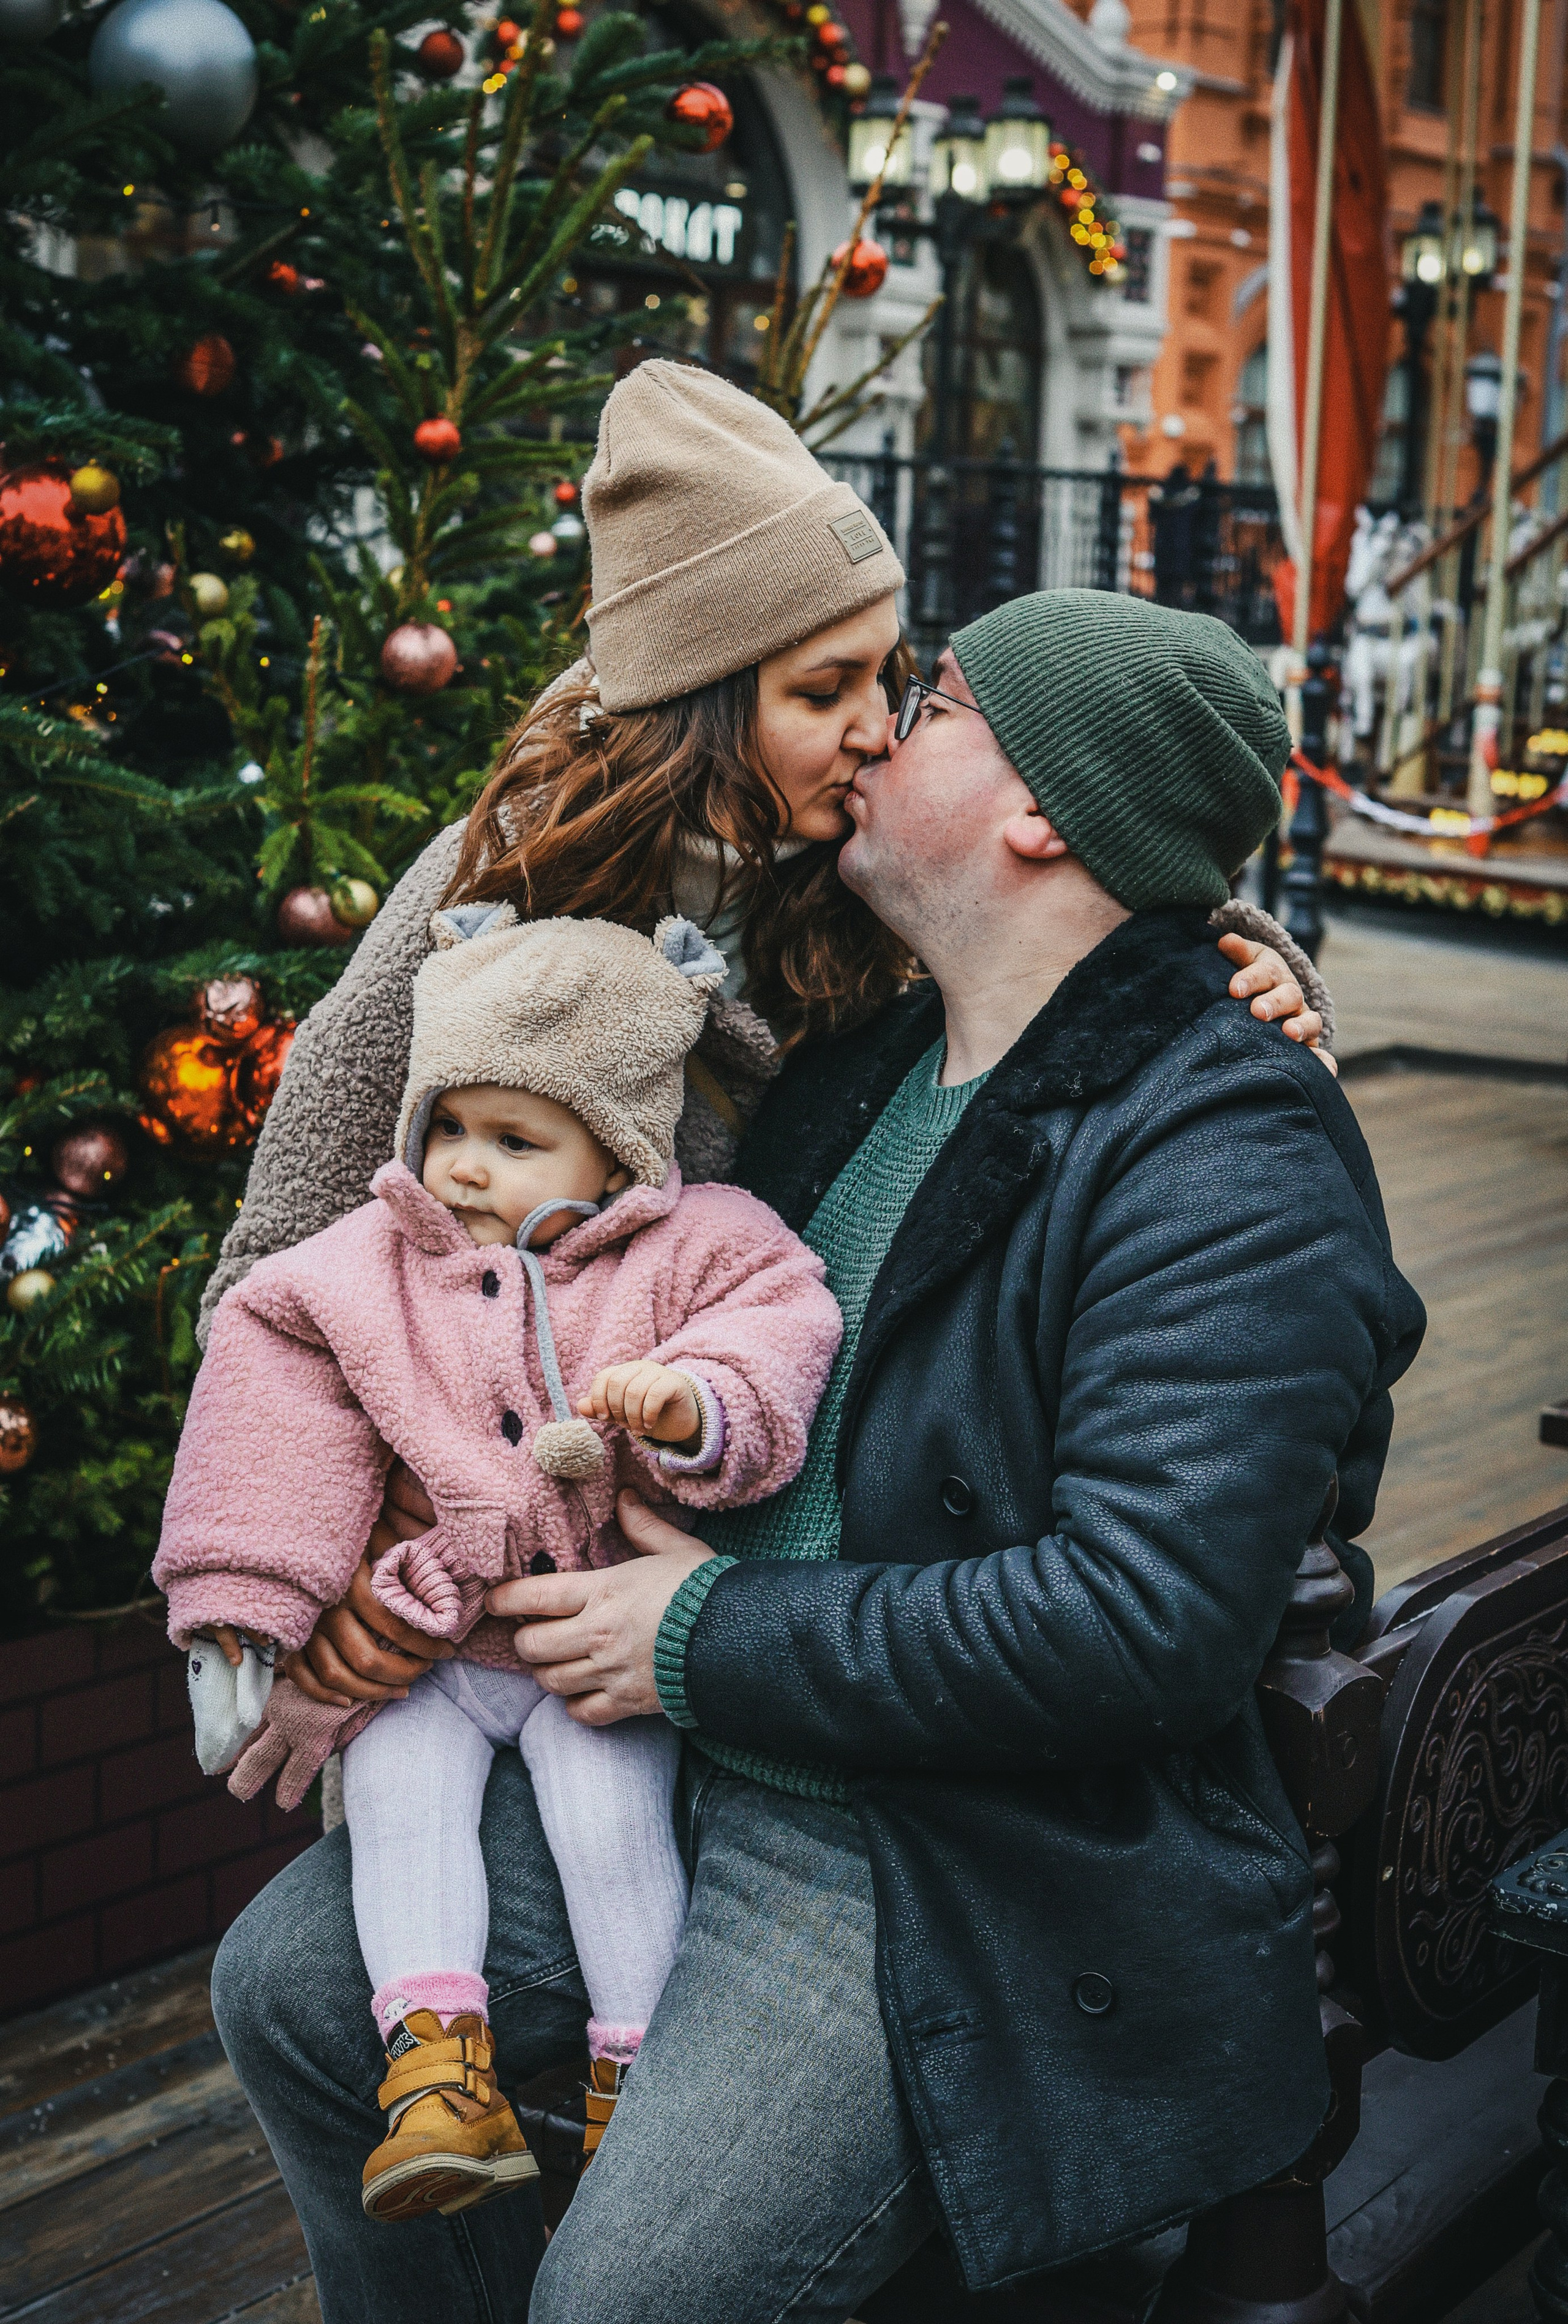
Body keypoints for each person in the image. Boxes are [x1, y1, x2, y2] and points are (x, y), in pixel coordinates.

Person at [205, 362, 1351, 2323]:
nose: (886, 730)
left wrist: (693, 1636)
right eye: (859, 689)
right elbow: (372, 1217)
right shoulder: (852, 1036)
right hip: (681, 1735)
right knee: (292, 1989)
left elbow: (1148, 1611)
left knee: (632, 2294)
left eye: (935, 702)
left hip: (936, 1844)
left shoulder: (1219, 1140)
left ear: (1040, 822)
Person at [156, 910, 841, 2225]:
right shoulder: (369, 1263)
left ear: (620, 1144)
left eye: (516, 1142)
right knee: (401, 1795)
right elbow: (272, 1406)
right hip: (439, 1644)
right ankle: (434, 2071)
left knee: (609, 1822)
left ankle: (631, 2073)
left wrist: (694, 1405)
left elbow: (782, 1324)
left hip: (591, 1636)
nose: (464, 1169)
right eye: (449, 1125)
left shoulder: (696, 1242)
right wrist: (244, 1599)